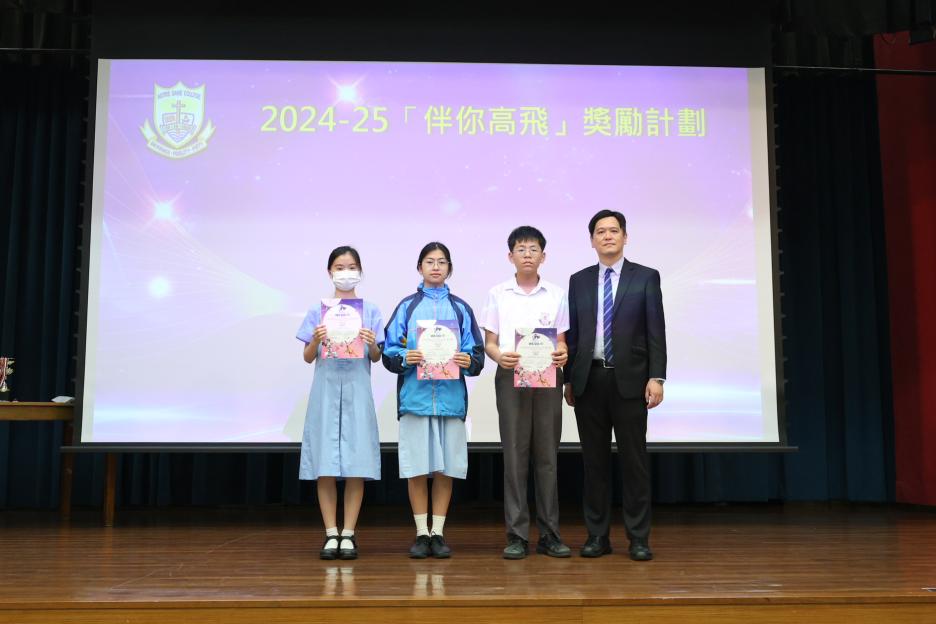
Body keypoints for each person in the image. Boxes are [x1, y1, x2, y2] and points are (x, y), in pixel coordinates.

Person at [564, 210, 667, 561]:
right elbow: (573, 335)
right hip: (589, 380)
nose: (607, 236)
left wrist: (656, 376)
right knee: (594, 464)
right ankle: (597, 536)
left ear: (625, 236)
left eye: (613, 230)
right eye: (600, 231)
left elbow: (656, 330)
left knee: (634, 463)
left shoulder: (646, 277)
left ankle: (639, 538)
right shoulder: (578, 280)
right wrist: (569, 379)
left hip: (631, 381)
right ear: (592, 240)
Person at [382, 242, 485, 559]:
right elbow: (388, 352)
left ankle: (438, 533)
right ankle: (421, 533)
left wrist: (468, 360)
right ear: (420, 268)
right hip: (415, 401)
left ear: (449, 268)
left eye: (442, 262)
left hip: (451, 402)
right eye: (430, 261)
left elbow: (477, 355)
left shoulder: (461, 308)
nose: (436, 267)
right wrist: (405, 356)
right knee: (416, 469)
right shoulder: (407, 307)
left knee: (446, 469)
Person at [480, 225, 571, 559]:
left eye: (534, 249)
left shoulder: (557, 294)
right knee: (515, 456)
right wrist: (498, 356)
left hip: (548, 376)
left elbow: (562, 340)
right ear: (510, 256)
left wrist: (563, 353)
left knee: (547, 456)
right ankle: (517, 535)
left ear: (543, 256)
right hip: (511, 375)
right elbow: (490, 342)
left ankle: (549, 534)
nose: (527, 254)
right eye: (521, 249)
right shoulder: (497, 293)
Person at [296, 246, 384, 561]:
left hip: (357, 391)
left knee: (357, 463)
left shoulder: (370, 310)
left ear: (360, 271)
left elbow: (377, 357)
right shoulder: (317, 311)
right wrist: (316, 339)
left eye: (351, 267)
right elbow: (307, 357)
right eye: (339, 267)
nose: (346, 272)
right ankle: (330, 532)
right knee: (325, 465)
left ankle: (348, 533)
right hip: (326, 391)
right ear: (329, 272)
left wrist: (372, 344)